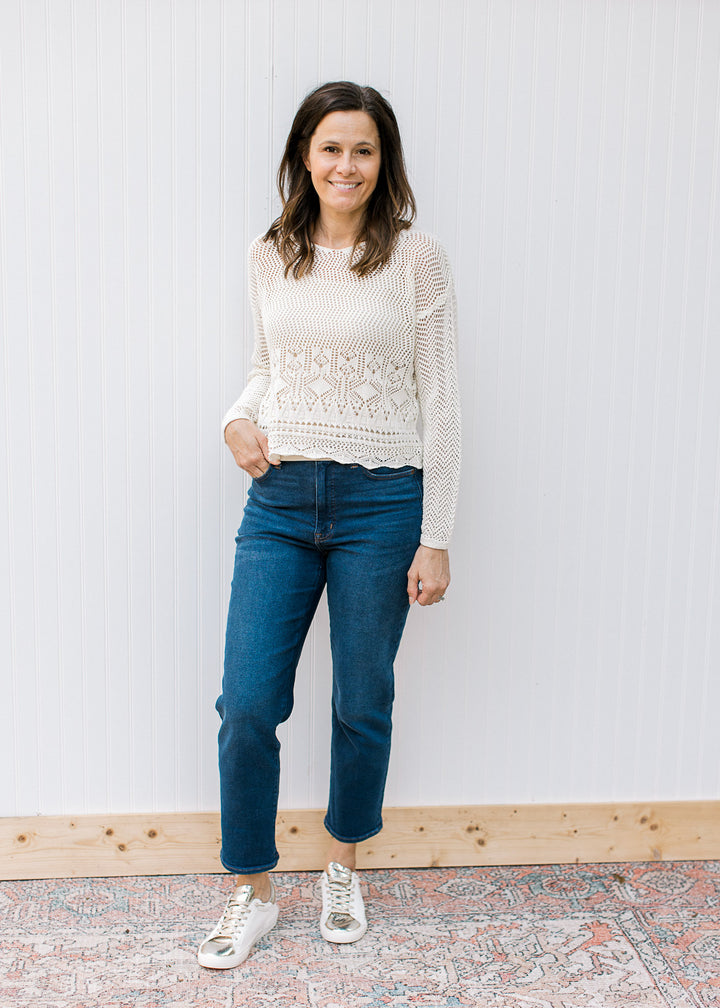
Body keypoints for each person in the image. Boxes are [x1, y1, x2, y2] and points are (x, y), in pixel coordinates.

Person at [198, 80, 461, 970]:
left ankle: (342, 864)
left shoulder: (415, 259)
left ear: (383, 162)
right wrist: (235, 420)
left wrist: (438, 533)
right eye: (330, 148)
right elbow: (268, 368)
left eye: (363, 150)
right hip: (278, 502)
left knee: (362, 701)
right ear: (303, 157)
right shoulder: (270, 253)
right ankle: (252, 890)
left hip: (382, 505)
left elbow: (443, 402)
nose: (345, 166)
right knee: (247, 706)